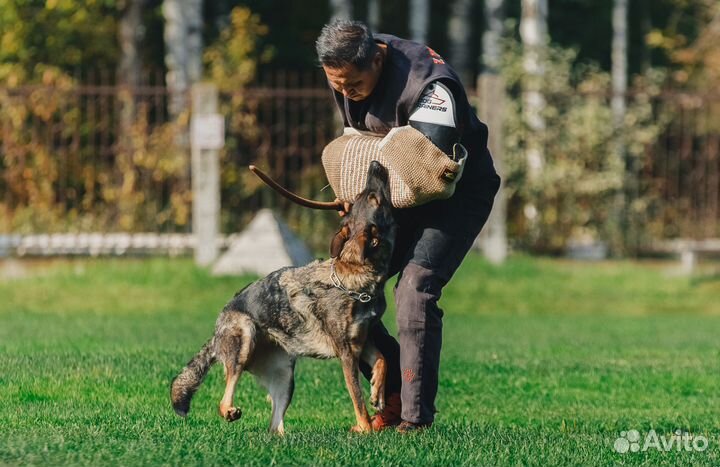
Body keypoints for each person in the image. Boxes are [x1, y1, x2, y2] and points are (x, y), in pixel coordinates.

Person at [316, 20, 501, 433]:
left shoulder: (432, 86)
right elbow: (363, 141)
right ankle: (396, 390)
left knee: (415, 289)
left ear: (377, 59)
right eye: (337, 84)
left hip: (453, 190)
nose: (346, 92)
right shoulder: (346, 74)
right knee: (346, 284)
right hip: (397, 191)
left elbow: (424, 168)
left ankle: (415, 420)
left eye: (353, 83)